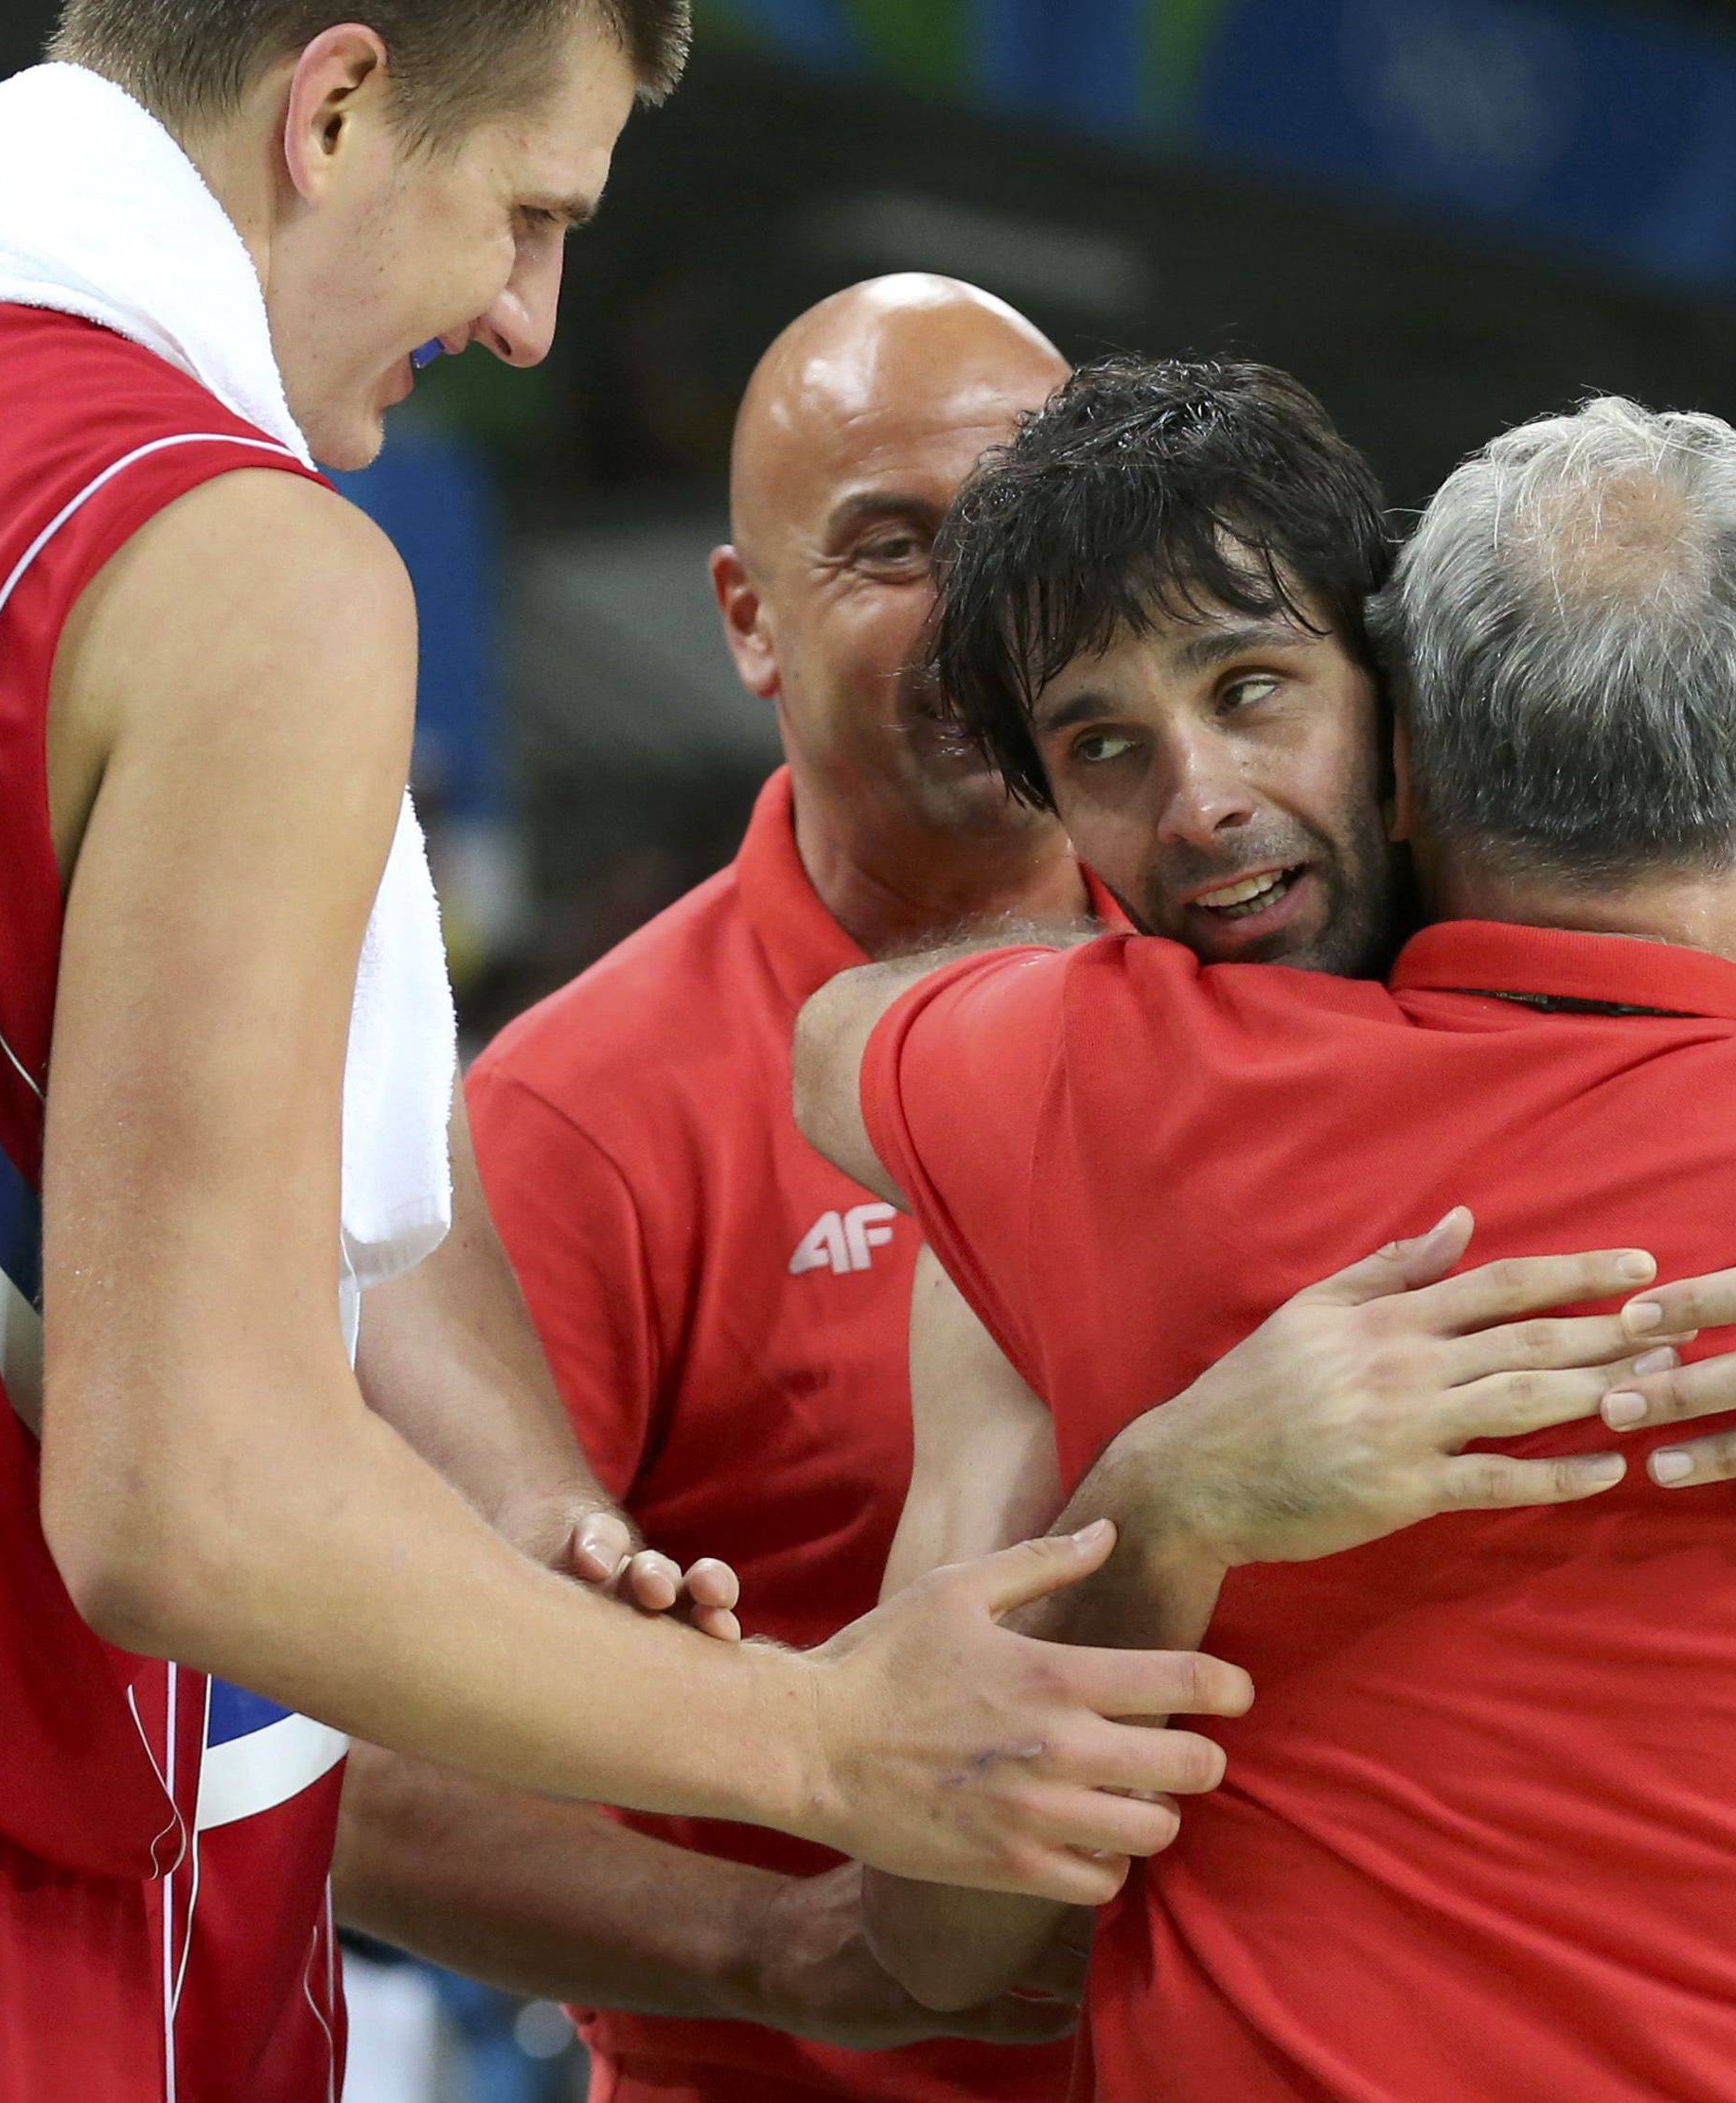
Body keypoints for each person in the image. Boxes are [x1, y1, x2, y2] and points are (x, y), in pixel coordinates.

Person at [0, 22, 1258, 2097]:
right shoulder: (234, 562)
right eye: (530, 211)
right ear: (335, 107)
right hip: (15, 1924)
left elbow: (225, 1114)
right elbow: (187, 1498)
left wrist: (516, 1503)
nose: (532, 321)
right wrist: (832, 1753)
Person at [796, 377, 1736, 2099]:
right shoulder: (1089, 1102)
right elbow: (928, 1920)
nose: (1205, 803)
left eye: (1251, 691)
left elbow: (837, 1047)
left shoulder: (1079, 1091)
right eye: (1101, 749)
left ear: (1404, 729)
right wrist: (1164, 1501)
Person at [336, 274, 1094, 2103]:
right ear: (750, 620)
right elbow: (355, 1757)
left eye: (1025, 538)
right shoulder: (572, 1118)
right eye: (891, 549)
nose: (978, 613)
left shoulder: (1281, 980)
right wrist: (783, 1948)